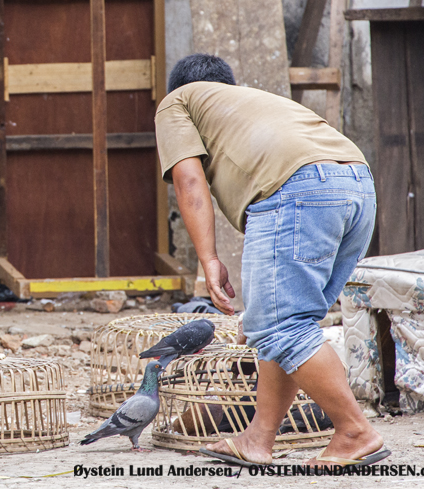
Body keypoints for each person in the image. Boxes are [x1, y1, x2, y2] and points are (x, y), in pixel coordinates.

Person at [155, 53, 387, 468]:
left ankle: (355, 431)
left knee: (279, 324)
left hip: (298, 190)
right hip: (358, 186)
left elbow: (189, 181)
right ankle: (258, 439)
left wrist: (208, 259)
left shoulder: (177, 102)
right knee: (285, 322)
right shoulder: (251, 103)